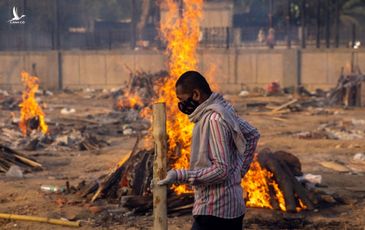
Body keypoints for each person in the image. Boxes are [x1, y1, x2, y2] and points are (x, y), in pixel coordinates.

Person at [157, 71, 260, 230]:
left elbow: (221, 170)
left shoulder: (213, 120)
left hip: (216, 210)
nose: (181, 106)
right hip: (232, 207)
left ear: (196, 94)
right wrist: (239, 171)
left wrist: (179, 175)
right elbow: (252, 134)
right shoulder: (223, 109)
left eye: (182, 100)